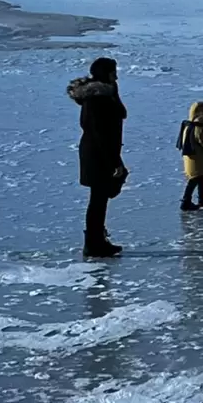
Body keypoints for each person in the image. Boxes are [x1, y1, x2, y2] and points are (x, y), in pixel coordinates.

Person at [67, 57, 128, 257]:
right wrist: (114, 162)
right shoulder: (97, 99)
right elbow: (99, 133)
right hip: (97, 154)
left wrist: (114, 91)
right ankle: (94, 243)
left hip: (100, 152)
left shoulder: (105, 95)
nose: (116, 76)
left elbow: (120, 113)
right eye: (113, 72)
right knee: (99, 199)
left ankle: (96, 240)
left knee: (100, 198)